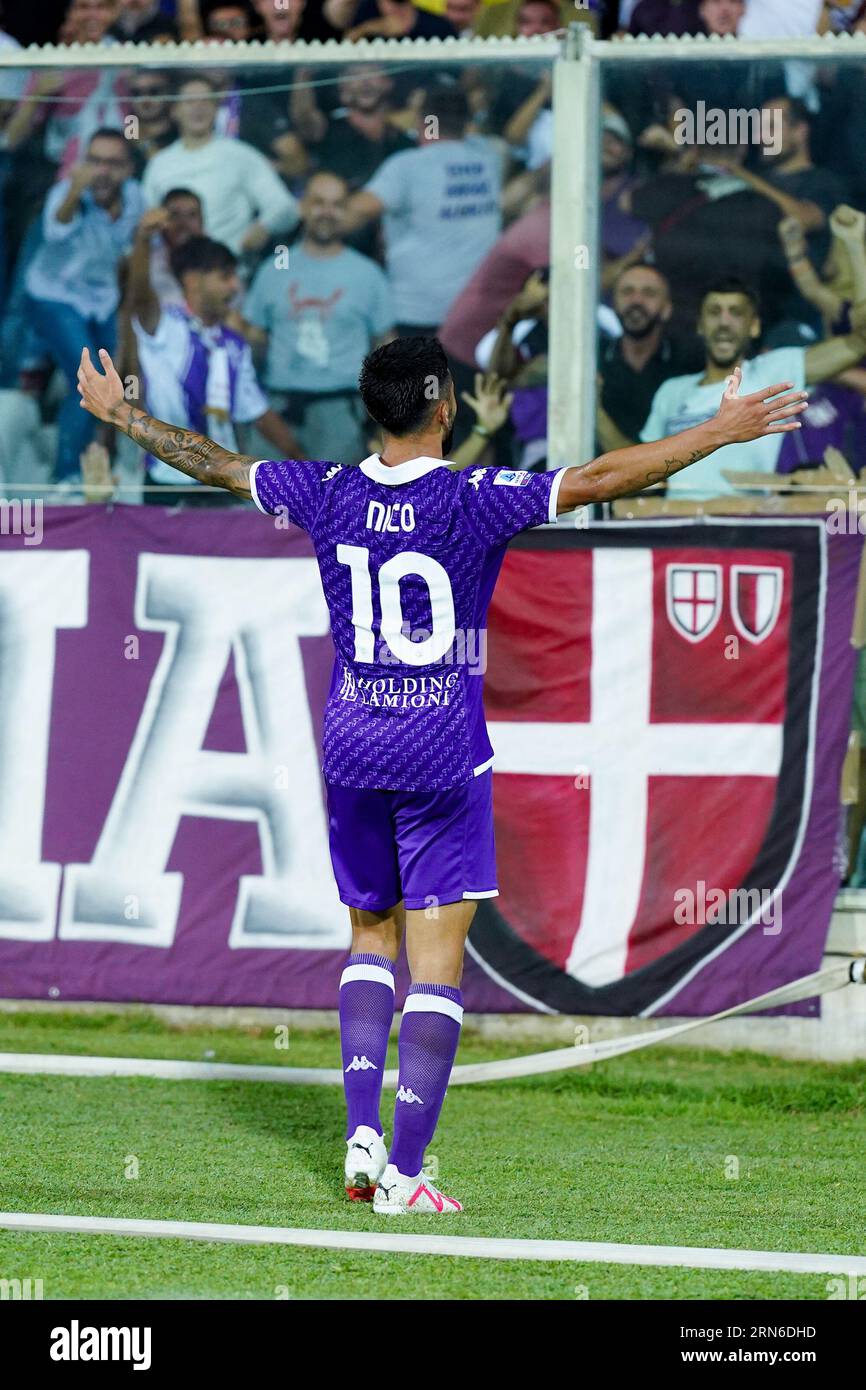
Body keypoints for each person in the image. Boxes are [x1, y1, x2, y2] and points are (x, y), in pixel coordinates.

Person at [77, 334, 806, 1213]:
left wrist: (125, 417)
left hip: (351, 743)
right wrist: (718, 435)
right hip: (439, 748)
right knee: (437, 968)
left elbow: (218, 464)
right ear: (447, 408)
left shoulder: (326, 490)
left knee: (367, 937)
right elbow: (607, 478)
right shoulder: (472, 499)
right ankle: (407, 1176)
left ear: (370, 409)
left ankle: (360, 1130)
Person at [639, 274, 866, 497]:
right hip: (673, 526)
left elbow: (859, 342)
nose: (724, 322)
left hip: (748, 527)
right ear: (700, 325)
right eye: (714, 312)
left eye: (736, 313)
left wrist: (855, 246)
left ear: (754, 326)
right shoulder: (672, 391)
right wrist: (600, 412)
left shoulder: (773, 372)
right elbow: (639, 470)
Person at [126, 233, 301, 501]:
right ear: (193, 280)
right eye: (225, 276)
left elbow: (257, 412)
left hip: (222, 482)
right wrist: (143, 240)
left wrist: (301, 461)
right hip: (167, 481)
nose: (235, 287)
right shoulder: (163, 325)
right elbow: (137, 296)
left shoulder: (235, 345)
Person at [243, 171, 394, 462]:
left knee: (336, 503)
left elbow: (386, 348)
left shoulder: (368, 274)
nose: (327, 212)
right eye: (318, 202)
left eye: (337, 204)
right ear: (302, 207)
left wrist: (384, 417)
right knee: (262, 503)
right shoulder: (274, 269)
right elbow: (254, 342)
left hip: (341, 410)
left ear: (347, 211)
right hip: (277, 407)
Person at [24, 126, 142, 481]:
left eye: (113, 163)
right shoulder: (66, 192)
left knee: (119, 377)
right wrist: (75, 189)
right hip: (54, 296)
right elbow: (57, 227)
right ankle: (66, 477)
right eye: (94, 161)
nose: (102, 171)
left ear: (128, 170)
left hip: (102, 299)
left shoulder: (136, 197)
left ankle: (121, 464)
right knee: (89, 376)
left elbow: (131, 252)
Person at [345, 84, 504, 336]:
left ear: (421, 120)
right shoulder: (488, 157)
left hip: (419, 312)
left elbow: (353, 214)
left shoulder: (407, 167)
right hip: (477, 310)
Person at [141, 75, 299, 256]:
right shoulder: (159, 164)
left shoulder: (241, 155)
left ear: (217, 108)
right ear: (174, 110)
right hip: (174, 271)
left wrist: (263, 227)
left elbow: (285, 207)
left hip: (228, 269)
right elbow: (147, 219)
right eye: (190, 102)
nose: (198, 108)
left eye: (205, 101)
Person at [598, 263, 697, 447]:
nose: (636, 301)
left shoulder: (690, 364)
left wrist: (591, 407)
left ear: (667, 309)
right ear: (613, 304)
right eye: (627, 292)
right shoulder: (592, 358)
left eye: (649, 293)